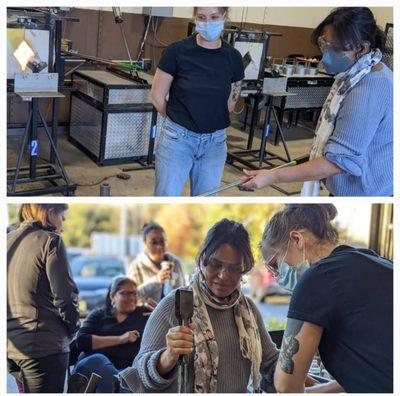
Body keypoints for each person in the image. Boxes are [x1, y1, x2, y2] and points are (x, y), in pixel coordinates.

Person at [242, 7, 393, 196]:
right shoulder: (355, 74)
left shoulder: (369, 87)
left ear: (362, 48)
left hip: (366, 193)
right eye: (324, 44)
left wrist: (273, 176)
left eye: (336, 48)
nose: (326, 53)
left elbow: (338, 161)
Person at [119, 219, 280, 393]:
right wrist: (168, 356)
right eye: (216, 264)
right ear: (202, 260)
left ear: (243, 270)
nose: (223, 275)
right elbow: (140, 373)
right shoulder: (174, 305)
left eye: (234, 268)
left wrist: (306, 381)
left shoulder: (248, 310)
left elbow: (271, 363)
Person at [260, 204, 393, 393]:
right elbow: (373, 362)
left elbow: (285, 386)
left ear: (297, 239)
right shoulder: (374, 260)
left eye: (275, 264)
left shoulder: (316, 277)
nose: (278, 276)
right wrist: (327, 388)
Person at [151, 7, 244, 196]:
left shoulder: (233, 57)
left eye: (214, 17)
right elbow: (157, 96)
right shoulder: (176, 52)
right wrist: (178, 123)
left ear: (225, 16)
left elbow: (231, 101)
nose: (208, 23)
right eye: (201, 17)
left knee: (206, 200)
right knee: (167, 198)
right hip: (177, 140)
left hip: (215, 143)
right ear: (195, 18)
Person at [7, 204, 80, 393]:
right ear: (50, 212)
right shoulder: (51, 241)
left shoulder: (6, 240)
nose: (62, 226)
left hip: (11, 349)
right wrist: (73, 329)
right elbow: (65, 297)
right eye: (62, 218)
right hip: (44, 348)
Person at [71, 276, 150, 393]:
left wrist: (158, 314)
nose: (132, 298)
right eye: (126, 293)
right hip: (92, 369)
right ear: (112, 296)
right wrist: (121, 339)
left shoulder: (144, 315)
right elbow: (82, 341)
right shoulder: (99, 315)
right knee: (99, 360)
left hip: (128, 373)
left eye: (134, 293)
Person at [127, 223, 185, 303]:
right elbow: (130, 297)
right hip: (146, 314)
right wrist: (156, 280)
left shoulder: (175, 263)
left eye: (162, 241)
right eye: (153, 242)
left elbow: (183, 291)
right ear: (145, 244)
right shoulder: (136, 266)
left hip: (172, 314)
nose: (159, 246)